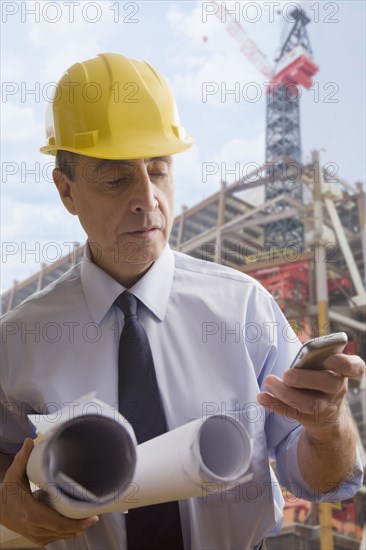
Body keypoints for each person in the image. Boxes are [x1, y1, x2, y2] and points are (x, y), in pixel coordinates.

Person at [0, 53, 364, 550]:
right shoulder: (18, 341)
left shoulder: (244, 311)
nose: (147, 199)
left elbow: (324, 483)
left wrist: (328, 426)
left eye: (158, 170)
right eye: (116, 178)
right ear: (66, 190)